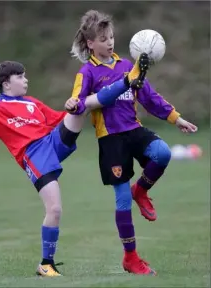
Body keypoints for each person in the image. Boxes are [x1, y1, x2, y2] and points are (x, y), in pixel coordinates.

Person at [0, 58, 148, 277]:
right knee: (55, 210)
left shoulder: (31, 102)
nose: (25, 79)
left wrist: (73, 107)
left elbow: (58, 118)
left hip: (53, 142)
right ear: (6, 84)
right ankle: (46, 264)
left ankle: (127, 82)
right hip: (34, 156)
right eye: (20, 77)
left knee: (81, 105)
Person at [70, 10, 198, 275]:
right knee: (121, 201)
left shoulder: (129, 66)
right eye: (103, 38)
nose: (110, 42)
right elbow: (79, 101)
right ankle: (131, 257)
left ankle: (141, 190)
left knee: (162, 153)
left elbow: (149, 97)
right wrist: (74, 103)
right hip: (110, 140)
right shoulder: (87, 72)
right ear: (90, 43)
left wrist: (176, 118)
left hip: (134, 130)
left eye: (112, 36)